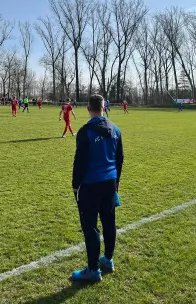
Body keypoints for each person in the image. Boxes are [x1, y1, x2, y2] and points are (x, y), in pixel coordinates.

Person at [72, 94, 124, 282]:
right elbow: (120, 159)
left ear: (88, 108)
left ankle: (93, 270)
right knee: (109, 222)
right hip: (110, 183)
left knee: (90, 226)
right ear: (104, 107)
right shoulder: (116, 129)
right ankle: (108, 259)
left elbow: (79, 163)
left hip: (90, 185)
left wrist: (75, 186)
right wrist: (116, 183)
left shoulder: (85, 131)